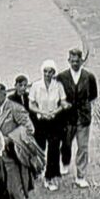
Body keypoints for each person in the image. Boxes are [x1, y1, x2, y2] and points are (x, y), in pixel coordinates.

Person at [56, 49, 98, 188]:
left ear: (82, 61)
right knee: (66, 143)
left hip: (83, 117)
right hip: (67, 117)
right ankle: (65, 162)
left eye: (77, 61)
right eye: (72, 61)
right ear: (68, 61)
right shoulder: (61, 77)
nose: (75, 63)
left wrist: (84, 107)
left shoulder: (89, 77)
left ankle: (81, 175)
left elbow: (92, 95)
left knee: (83, 147)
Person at [30, 60, 68, 191]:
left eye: (50, 72)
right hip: (41, 122)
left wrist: (54, 112)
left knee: (53, 149)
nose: (47, 74)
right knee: (39, 149)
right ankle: (37, 171)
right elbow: (32, 104)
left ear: (53, 73)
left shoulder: (58, 86)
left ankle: (49, 176)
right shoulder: (36, 86)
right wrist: (41, 112)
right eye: (45, 71)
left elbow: (63, 103)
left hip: (53, 122)